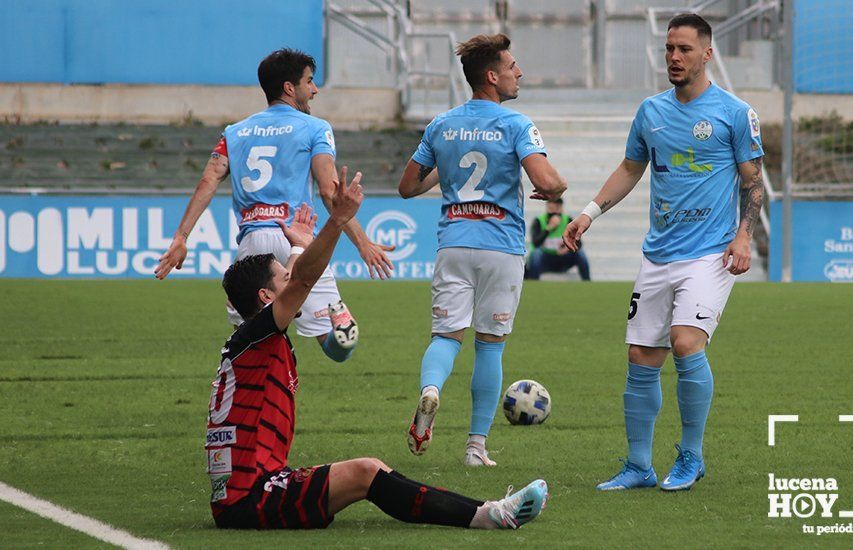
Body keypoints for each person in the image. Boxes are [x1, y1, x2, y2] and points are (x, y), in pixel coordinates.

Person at [207, 167, 549, 530]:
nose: (291, 281)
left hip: (251, 490)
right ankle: (490, 516)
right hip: (252, 497)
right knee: (367, 472)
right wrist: (337, 220)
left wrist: (297, 247)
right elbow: (302, 279)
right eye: (283, 278)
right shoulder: (260, 335)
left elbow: (294, 277)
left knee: (371, 472)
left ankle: (489, 512)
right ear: (266, 297)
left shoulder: (252, 338)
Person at [562, 13, 764, 491]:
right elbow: (631, 168)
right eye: (669, 48)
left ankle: (691, 457)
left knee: (685, 342)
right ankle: (638, 466)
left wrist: (743, 236)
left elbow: (752, 181)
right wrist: (589, 213)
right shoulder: (651, 111)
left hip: (710, 253)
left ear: (707, 53)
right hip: (659, 253)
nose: (674, 57)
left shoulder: (735, 113)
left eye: (684, 49)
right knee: (640, 355)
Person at [154, 48, 394, 363]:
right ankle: (340, 320)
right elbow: (328, 191)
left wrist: (182, 237)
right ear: (289, 88)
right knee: (339, 350)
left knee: (253, 346)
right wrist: (362, 244)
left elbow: (209, 179)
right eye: (310, 81)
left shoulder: (235, 132)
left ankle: (245, 408)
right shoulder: (315, 128)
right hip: (298, 239)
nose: (315, 89)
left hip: (253, 249)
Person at [398, 33, 567, 466]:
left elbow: (408, 186)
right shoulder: (516, 124)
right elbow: (546, 182)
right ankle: (476, 448)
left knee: (445, 337)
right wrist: (557, 187)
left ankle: (431, 390)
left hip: (454, 243)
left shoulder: (441, 124)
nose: (519, 73)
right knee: (489, 346)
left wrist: (448, 171)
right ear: (491, 76)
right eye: (512, 67)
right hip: (501, 247)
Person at [526, 198, 591, 280]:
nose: (554, 213)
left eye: (556, 209)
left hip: (564, 258)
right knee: (536, 254)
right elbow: (535, 243)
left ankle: (587, 281)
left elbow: (579, 243)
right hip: (546, 258)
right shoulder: (539, 221)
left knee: (580, 253)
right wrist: (549, 228)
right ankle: (533, 282)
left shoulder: (568, 220)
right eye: (551, 209)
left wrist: (567, 248)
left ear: (561, 208)